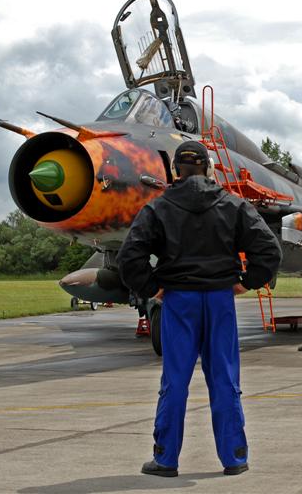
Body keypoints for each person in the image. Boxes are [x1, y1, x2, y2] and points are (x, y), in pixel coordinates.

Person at [117, 140, 281, 478]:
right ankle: (234, 457)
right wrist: (247, 282)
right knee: (224, 379)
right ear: (208, 168)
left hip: (178, 301)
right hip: (220, 300)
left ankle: (165, 459)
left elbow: (129, 257)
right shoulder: (233, 206)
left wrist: (153, 288)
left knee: (175, 381)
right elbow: (269, 250)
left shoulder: (157, 209)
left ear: (175, 170)